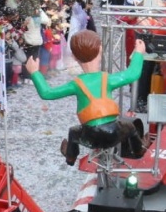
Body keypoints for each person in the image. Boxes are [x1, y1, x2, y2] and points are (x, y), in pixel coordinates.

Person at [24, 32, 147, 164]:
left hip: (91, 136)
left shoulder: (76, 84)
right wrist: (139, 53)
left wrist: (35, 73)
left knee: (73, 132)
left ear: (74, 57)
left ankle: (70, 158)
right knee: (130, 127)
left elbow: (47, 93)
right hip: (114, 133)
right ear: (100, 49)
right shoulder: (107, 79)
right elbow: (133, 74)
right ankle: (139, 150)